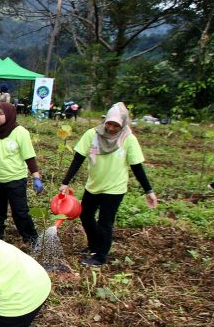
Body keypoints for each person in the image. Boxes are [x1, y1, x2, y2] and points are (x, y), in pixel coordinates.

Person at [59, 102, 157, 267]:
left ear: (123, 124)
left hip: (114, 188)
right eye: (109, 124)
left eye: (116, 125)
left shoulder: (128, 139)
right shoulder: (92, 134)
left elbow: (137, 167)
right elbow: (78, 158)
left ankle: (100, 256)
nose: (111, 128)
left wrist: (149, 190)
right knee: (86, 215)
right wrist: (65, 182)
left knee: (105, 221)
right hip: (94, 185)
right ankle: (93, 246)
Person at [0, 102, 43, 245]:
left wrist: (36, 176)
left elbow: (29, 156)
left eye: (1, 114)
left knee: (20, 212)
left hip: (15, 179)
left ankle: (32, 240)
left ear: (9, 115)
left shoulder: (20, 132)